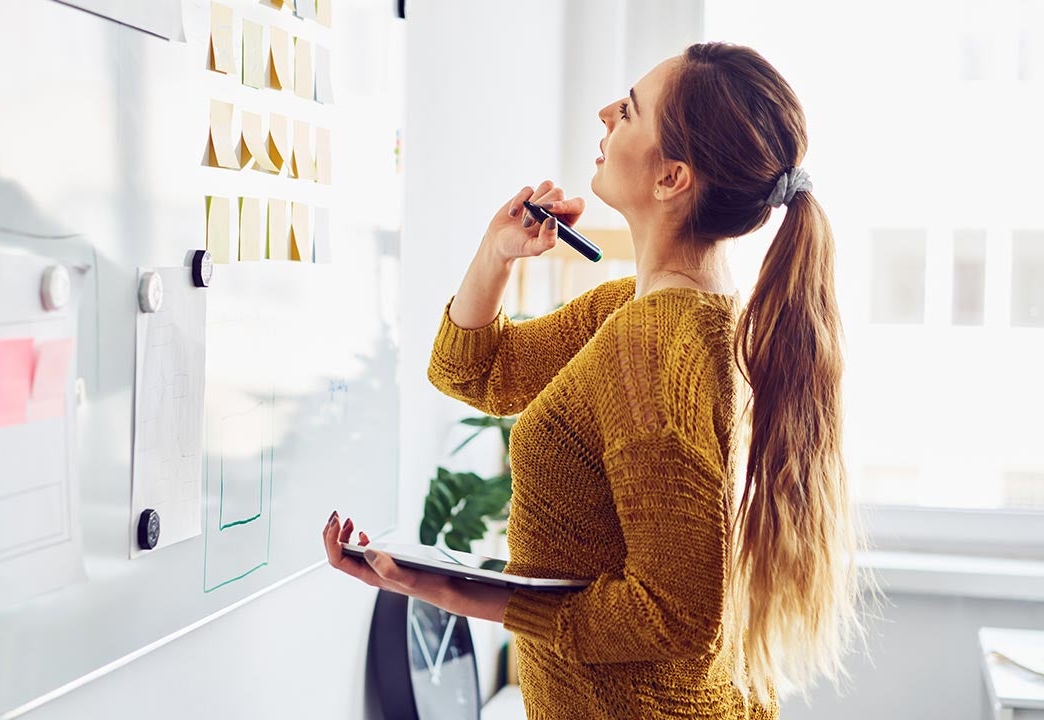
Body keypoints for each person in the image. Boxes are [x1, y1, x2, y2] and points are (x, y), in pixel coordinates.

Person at [322, 42, 875, 718]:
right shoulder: (636, 312)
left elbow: (675, 616)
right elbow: (474, 372)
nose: (606, 112)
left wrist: (460, 593)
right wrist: (498, 254)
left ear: (672, 177)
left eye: (631, 110)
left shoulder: (655, 345)